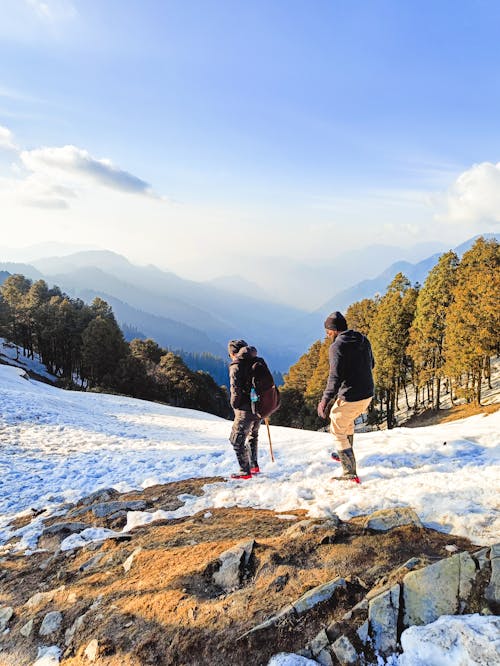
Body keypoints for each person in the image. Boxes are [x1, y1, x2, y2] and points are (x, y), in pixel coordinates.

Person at [317, 311, 374, 483]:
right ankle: (344, 452)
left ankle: (349, 473)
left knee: (336, 426)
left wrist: (325, 400)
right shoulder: (363, 339)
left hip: (353, 395)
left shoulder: (337, 346)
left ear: (334, 330)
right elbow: (372, 364)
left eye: (328, 332)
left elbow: (335, 377)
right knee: (345, 422)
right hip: (367, 393)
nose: (327, 335)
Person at [227, 339, 262, 479]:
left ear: (233, 353)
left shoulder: (236, 366)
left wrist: (235, 405)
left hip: (245, 410)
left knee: (236, 439)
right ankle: (254, 466)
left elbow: (235, 391)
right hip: (259, 407)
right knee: (253, 435)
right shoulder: (255, 362)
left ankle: (244, 470)